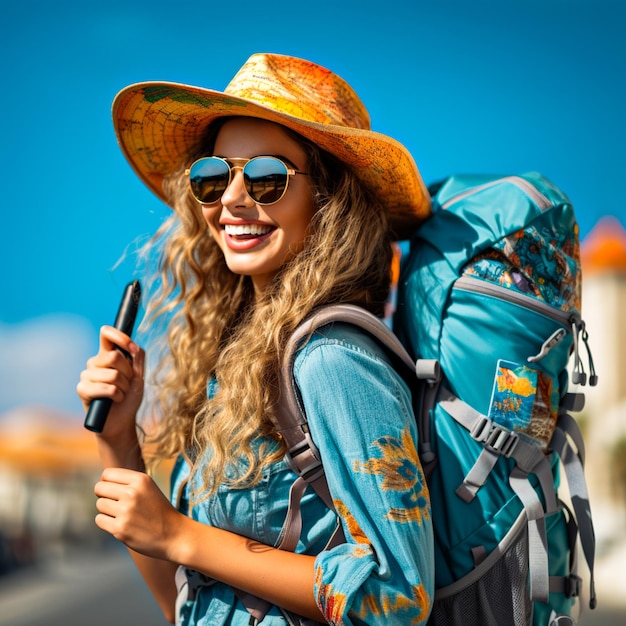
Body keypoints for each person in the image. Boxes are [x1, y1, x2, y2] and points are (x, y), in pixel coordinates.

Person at [77, 53, 434, 626]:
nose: (232, 200)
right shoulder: (237, 364)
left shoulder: (332, 359)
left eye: (266, 176)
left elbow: (397, 599)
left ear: (330, 198)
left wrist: (179, 533)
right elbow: (186, 605)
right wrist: (118, 440)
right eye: (213, 177)